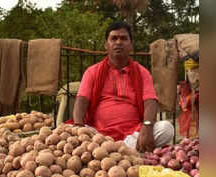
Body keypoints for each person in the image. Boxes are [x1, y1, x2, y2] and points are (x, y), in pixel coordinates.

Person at [72, 21, 174, 152]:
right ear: (106, 45)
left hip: (132, 135)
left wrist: (147, 126)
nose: (118, 42)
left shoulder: (142, 72)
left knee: (166, 128)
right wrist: (79, 127)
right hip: (98, 134)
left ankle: (109, 152)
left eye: (123, 38)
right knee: (74, 131)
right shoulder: (93, 71)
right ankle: (123, 152)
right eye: (114, 38)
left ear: (131, 45)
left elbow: (150, 102)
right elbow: (81, 100)